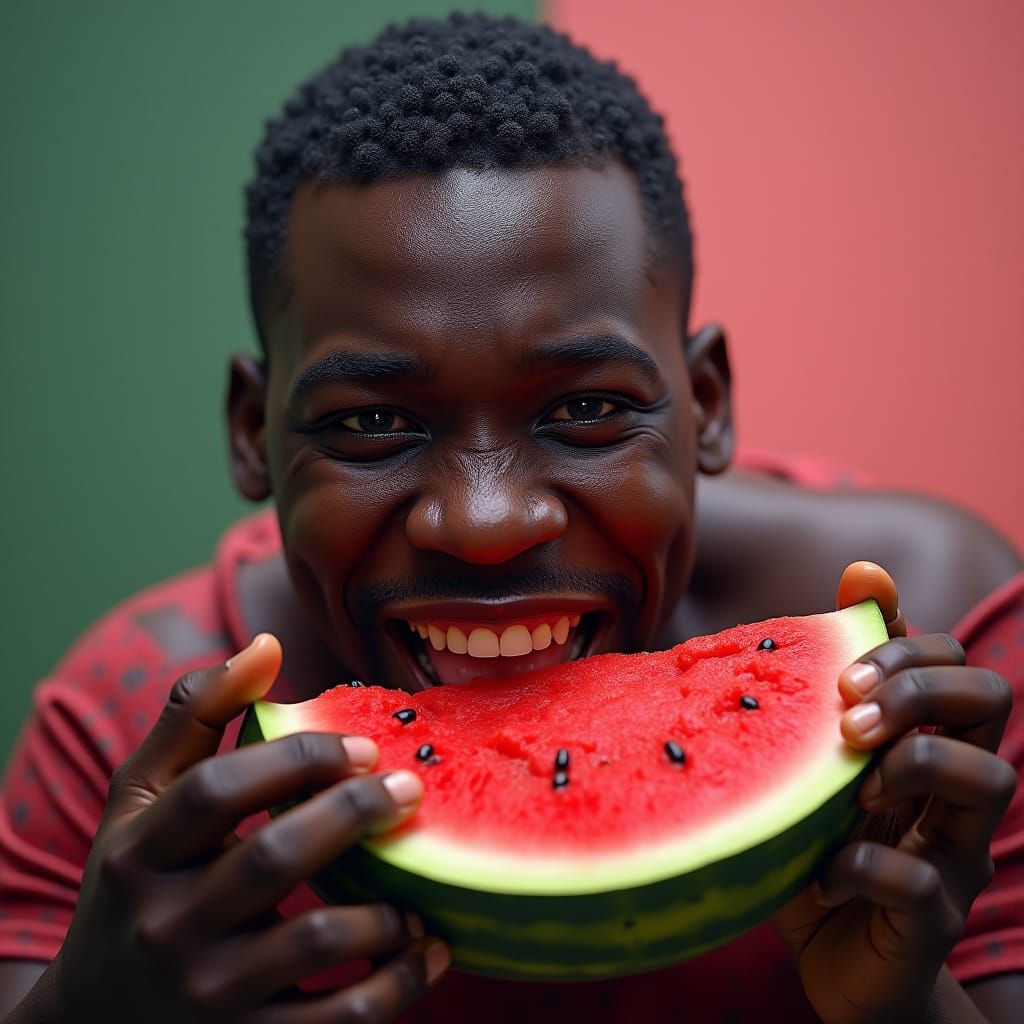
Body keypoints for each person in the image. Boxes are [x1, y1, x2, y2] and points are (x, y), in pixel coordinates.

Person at [1, 12, 1021, 1023]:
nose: (485, 523)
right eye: (370, 421)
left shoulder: (941, 650)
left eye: (584, 410)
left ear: (704, 402)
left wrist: (905, 1002)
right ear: (250, 431)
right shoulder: (118, 735)